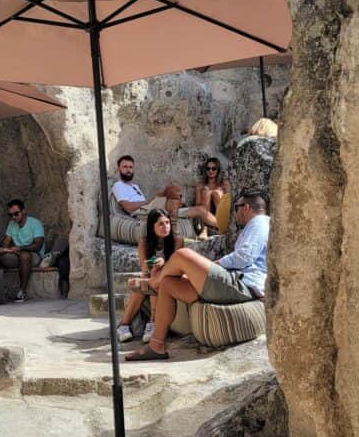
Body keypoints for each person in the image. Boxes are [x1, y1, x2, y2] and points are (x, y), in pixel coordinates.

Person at [125, 191, 269, 361]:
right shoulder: (256, 226)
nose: (234, 212)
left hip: (243, 285)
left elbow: (244, 257)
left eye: (236, 208)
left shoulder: (259, 223)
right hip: (236, 282)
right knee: (169, 284)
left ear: (246, 208)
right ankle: (156, 345)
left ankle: (153, 282)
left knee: (183, 255)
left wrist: (215, 264)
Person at [117, 208, 183, 344]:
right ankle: (124, 325)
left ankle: (152, 322)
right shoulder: (144, 243)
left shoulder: (177, 241)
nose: (166, 227)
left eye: (167, 223)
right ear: (152, 227)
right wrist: (149, 266)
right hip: (152, 279)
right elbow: (144, 269)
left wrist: (164, 263)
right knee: (145, 280)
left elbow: (177, 266)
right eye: (161, 224)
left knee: (152, 277)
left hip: (171, 278)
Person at [110, 154, 194, 223]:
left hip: (147, 208)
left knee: (171, 188)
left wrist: (155, 198)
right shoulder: (118, 185)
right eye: (125, 167)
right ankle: (180, 204)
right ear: (119, 169)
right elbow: (128, 207)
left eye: (130, 167)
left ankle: (178, 206)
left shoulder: (135, 186)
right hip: (140, 213)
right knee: (173, 190)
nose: (128, 170)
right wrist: (148, 201)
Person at [0, 198, 45, 302]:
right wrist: (3, 248)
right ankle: (0, 290)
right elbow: (6, 241)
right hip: (17, 254)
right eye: (10, 215)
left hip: (35, 255)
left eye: (16, 214)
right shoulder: (12, 224)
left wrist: (20, 248)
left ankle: (22, 292)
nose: (13, 217)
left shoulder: (35, 223)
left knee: (25, 255)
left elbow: (38, 246)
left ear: (23, 211)